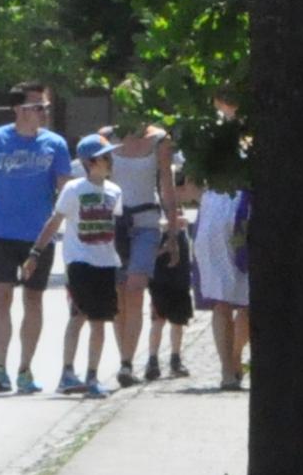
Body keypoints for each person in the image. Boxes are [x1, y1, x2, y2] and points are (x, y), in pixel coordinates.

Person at [0, 84, 75, 395]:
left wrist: (74, 227)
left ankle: (25, 369)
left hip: (38, 236)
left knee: (33, 299)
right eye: (37, 106)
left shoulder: (55, 144)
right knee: (2, 297)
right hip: (0, 232)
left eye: (46, 107)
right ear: (18, 109)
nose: (44, 112)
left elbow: (65, 191)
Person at [40, 136, 128, 397]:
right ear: (91, 162)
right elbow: (55, 221)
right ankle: (70, 373)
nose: (111, 161)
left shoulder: (115, 191)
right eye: (105, 157)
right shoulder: (73, 189)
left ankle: (91, 375)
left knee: (99, 320)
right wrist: (36, 251)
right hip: (80, 262)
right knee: (81, 316)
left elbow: (113, 225)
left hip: (106, 263)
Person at [103, 103, 176, 376]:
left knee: (135, 289)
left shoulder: (160, 140)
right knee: (118, 293)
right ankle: (124, 356)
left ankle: (126, 362)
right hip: (113, 223)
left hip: (146, 223)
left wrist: (172, 230)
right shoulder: (107, 137)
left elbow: (166, 185)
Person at [189, 96, 252, 389]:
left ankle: (232, 363)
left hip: (232, 207)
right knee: (231, 299)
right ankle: (230, 366)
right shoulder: (209, 131)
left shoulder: (251, 130)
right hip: (228, 207)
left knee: (237, 299)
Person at [143, 187, 197, 382]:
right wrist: (166, 242)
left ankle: (175, 359)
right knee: (158, 320)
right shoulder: (157, 223)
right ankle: (152, 360)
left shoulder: (183, 221)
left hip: (180, 280)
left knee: (178, 321)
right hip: (160, 281)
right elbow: (149, 253)